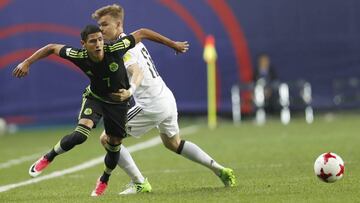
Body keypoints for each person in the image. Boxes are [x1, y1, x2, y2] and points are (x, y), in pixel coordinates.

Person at [13, 24, 188, 195]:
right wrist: (27, 62)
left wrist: (172, 44)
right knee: (80, 135)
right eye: (92, 41)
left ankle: (104, 178)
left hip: (118, 104)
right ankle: (48, 157)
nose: (98, 44)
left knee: (113, 147)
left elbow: (142, 33)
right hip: (95, 98)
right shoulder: (79, 55)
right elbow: (52, 48)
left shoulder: (116, 48)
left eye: (100, 40)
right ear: (83, 44)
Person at [90, 4, 236, 196]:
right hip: (166, 98)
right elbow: (143, 32)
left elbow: (137, 71)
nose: (101, 29)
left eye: (105, 24)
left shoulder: (122, 50)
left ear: (118, 25)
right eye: (99, 25)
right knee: (173, 143)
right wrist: (172, 43)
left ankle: (139, 183)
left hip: (150, 104)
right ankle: (220, 170)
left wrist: (131, 90)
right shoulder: (130, 41)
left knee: (106, 138)